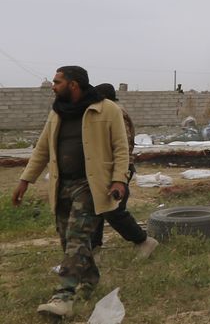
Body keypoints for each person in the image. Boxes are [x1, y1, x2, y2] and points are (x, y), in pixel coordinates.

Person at [11, 66, 130, 318]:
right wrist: (25, 180)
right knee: (68, 239)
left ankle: (63, 297)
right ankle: (90, 278)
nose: (52, 86)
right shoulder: (57, 112)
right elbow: (42, 149)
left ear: (73, 85)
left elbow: (121, 148)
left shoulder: (107, 109)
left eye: (57, 82)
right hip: (61, 185)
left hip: (90, 185)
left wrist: (119, 179)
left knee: (76, 237)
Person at [90, 83, 158, 259]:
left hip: (118, 170)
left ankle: (143, 241)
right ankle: (93, 248)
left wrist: (119, 174)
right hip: (104, 169)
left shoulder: (116, 113)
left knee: (113, 210)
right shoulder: (104, 112)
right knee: (96, 208)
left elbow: (124, 145)